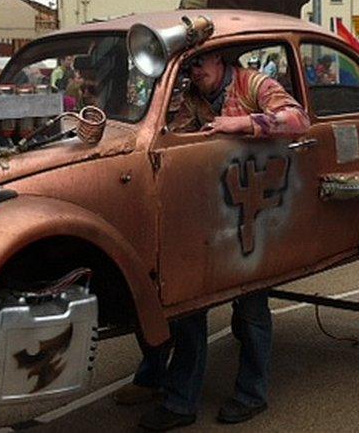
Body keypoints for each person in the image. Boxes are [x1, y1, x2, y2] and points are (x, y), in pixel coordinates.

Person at [131, 51, 309, 431]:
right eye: (189, 65)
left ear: (222, 60)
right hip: (210, 213)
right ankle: (180, 402)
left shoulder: (255, 83)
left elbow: (298, 120)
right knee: (187, 306)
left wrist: (240, 123)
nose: (195, 72)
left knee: (251, 309)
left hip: (252, 209)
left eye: (200, 63)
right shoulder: (193, 95)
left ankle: (251, 394)